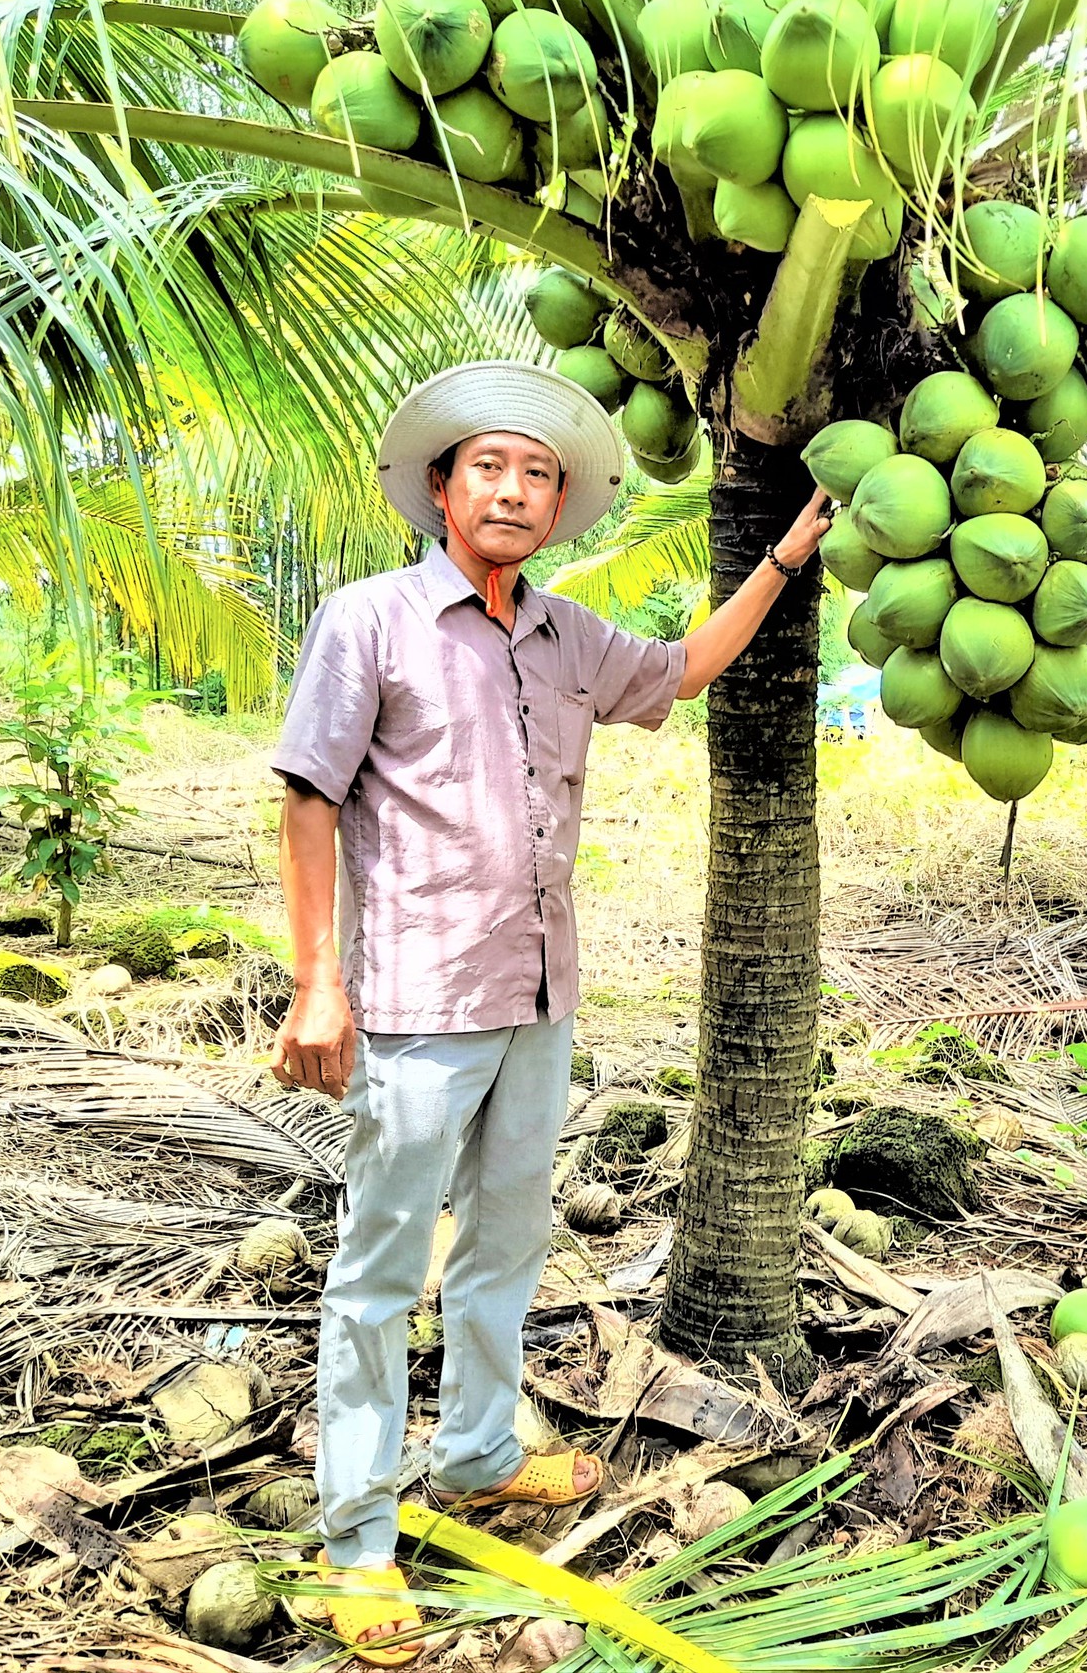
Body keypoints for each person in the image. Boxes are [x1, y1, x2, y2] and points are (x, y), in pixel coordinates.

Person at [267, 360, 830, 1664]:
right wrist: (316, 979)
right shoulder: (370, 620)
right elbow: (308, 796)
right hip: (413, 995)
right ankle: (358, 1540)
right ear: (443, 488)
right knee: (375, 1275)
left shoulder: (570, 637)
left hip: (535, 993)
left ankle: (474, 1451)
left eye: (537, 473)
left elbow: (686, 669)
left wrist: (785, 559)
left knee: (505, 1247)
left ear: (558, 499)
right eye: (490, 468)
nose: (514, 489)